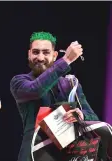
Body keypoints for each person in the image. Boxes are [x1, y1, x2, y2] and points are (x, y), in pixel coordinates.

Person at [10, 31, 112, 161]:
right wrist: (66, 60)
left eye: (46, 52)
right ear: (29, 54)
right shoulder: (19, 81)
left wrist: (80, 114)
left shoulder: (70, 83)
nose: (40, 57)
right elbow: (36, 90)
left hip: (68, 155)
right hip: (34, 153)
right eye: (35, 52)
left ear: (54, 55)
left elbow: (92, 116)